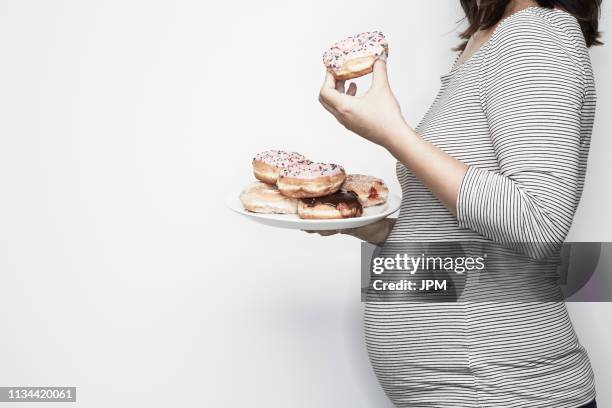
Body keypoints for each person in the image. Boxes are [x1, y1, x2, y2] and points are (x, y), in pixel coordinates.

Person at [316, 0, 602, 406]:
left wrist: (393, 133)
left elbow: (538, 222)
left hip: (503, 390)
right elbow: (472, 243)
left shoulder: (539, 32)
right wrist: (372, 227)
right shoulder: (491, 37)